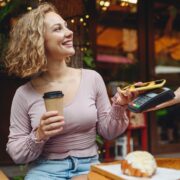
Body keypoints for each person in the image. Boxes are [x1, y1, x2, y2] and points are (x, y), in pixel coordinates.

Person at [5, 3, 138, 180]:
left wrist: (119, 106)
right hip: (45, 171)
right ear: (38, 41)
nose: (69, 32)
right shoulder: (24, 94)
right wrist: (39, 134)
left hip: (89, 167)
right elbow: (16, 153)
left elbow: (109, 132)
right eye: (58, 29)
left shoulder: (92, 79)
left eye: (66, 27)